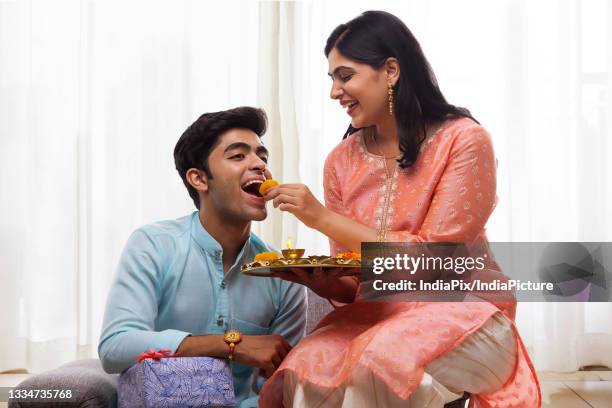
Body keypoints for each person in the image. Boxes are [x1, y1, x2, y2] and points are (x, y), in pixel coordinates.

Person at [259, 11, 541, 407]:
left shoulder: (463, 140)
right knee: (306, 370)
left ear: (390, 70)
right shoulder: (340, 162)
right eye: (332, 80)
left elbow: (438, 259)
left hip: (467, 312)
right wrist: (318, 280)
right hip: (377, 315)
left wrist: (321, 216)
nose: (335, 92)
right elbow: (354, 279)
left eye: (345, 76)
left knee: (377, 366)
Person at [98, 106, 307, 407]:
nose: (260, 165)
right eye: (238, 156)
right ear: (198, 178)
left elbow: (276, 389)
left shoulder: (283, 274)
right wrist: (233, 346)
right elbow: (115, 346)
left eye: (262, 156)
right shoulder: (152, 245)